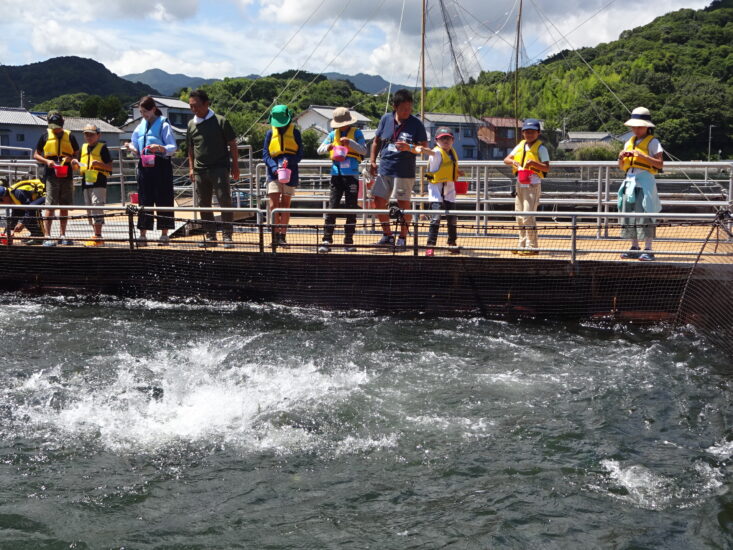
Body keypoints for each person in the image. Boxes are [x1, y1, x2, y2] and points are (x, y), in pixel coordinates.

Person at [369, 89, 428, 250]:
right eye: (404, 109)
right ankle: (387, 235)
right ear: (395, 107)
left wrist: (409, 148)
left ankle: (402, 237)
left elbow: (424, 148)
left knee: (403, 204)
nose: (407, 112)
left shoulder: (416, 124)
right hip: (385, 167)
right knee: (378, 201)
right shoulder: (386, 119)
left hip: (404, 170)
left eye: (410, 108)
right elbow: (376, 141)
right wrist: (372, 160)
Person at [187, 89, 240, 249]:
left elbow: (232, 145)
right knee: (203, 203)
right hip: (200, 170)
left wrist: (235, 166)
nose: (194, 109)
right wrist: (191, 168)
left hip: (219, 168)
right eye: (191, 107)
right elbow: (190, 149)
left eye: (196, 106)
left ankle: (227, 236)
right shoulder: (191, 124)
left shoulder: (220, 121)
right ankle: (210, 236)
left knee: (224, 200)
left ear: (206, 103)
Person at [127, 96, 177, 246]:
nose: (144, 115)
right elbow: (135, 144)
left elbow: (172, 147)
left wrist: (160, 148)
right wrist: (131, 148)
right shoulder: (140, 126)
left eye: (146, 112)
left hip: (161, 165)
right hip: (144, 165)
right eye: (141, 112)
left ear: (153, 109)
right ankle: (143, 235)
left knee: (164, 198)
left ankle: (164, 234)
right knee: (144, 199)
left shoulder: (164, 124)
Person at [316, 107, 367, 253]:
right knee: (332, 207)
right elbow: (319, 150)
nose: (341, 127)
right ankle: (327, 240)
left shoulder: (356, 133)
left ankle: (348, 241)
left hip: (351, 175)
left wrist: (350, 143)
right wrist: (329, 146)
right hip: (336, 174)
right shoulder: (333, 134)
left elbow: (363, 150)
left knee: (351, 208)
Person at [617, 107, 664, 261]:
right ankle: (634, 246)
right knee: (629, 215)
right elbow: (621, 166)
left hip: (644, 182)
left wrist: (642, 156)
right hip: (630, 182)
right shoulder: (628, 142)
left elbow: (659, 164)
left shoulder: (653, 142)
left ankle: (648, 249)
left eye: (639, 126)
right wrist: (620, 157)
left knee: (645, 215)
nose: (636, 129)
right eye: (634, 126)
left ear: (647, 126)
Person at [503, 118, 550, 256]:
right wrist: (514, 162)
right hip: (520, 183)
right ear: (523, 133)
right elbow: (506, 159)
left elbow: (546, 168)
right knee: (519, 215)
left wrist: (534, 164)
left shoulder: (541, 148)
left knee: (528, 215)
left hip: (533, 184)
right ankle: (521, 244)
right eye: (526, 132)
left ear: (538, 133)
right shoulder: (520, 146)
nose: (529, 135)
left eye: (532, 132)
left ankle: (532, 245)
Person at [33, 111, 79, 247]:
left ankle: (62, 234)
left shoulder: (70, 136)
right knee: (50, 204)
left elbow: (76, 153)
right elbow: (36, 154)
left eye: (58, 126)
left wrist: (71, 159)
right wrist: (47, 162)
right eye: (53, 126)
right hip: (51, 174)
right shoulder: (45, 136)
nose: (56, 129)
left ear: (62, 124)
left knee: (64, 205)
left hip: (67, 173)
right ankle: (47, 236)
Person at [416, 127, 462, 256]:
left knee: (452, 219)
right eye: (442, 138)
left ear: (452, 140)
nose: (445, 141)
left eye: (448, 138)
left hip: (450, 190)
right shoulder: (436, 152)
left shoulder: (452, 152)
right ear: (437, 140)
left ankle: (452, 243)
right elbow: (429, 152)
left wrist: (458, 172)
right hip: (436, 191)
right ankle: (430, 246)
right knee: (435, 219)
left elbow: (449, 166)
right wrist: (422, 149)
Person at [263, 105, 303, 248]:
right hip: (273, 173)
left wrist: (288, 162)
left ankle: (282, 237)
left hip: (290, 173)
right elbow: (265, 155)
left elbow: (300, 154)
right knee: (274, 205)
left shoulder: (296, 133)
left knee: (285, 205)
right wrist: (274, 167)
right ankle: (274, 236)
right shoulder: (269, 134)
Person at [71, 124, 113, 247]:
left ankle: (99, 236)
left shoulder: (103, 148)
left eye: (91, 134)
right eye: (86, 134)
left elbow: (110, 167)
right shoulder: (83, 148)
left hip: (99, 181)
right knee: (89, 208)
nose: (88, 137)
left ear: (98, 135)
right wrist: (74, 163)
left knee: (97, 206)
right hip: (86, 181)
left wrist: (99, 164)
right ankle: (95, 234)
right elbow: (76, 168)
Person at [0, 179, 46, 245]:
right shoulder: (12, 198)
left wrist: (22, 223)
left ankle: (40, 237)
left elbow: (30, 211)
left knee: (31, 210)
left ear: (4, 198)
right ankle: (35, 235)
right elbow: (15, 215)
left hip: (44, 195)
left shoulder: (18, 193)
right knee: (24, 216)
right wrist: (8, 232)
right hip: (32, 201)